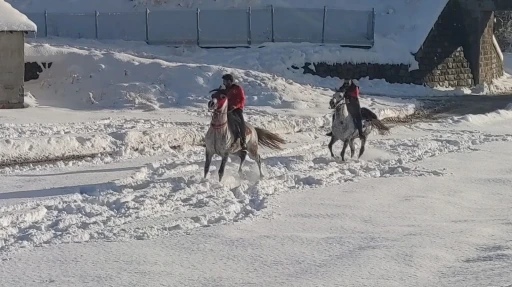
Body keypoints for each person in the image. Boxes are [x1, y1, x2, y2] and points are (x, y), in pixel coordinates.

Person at [222, 73, 247, 153]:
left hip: (236, 108)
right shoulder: (224, 90)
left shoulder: (237, 88)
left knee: (240, 121)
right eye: (223, 81)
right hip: (226, 108)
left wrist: (235, 106)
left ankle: (242, 139)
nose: (224, 83)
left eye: (225, 81)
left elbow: (242, 99)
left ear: (230, 81)